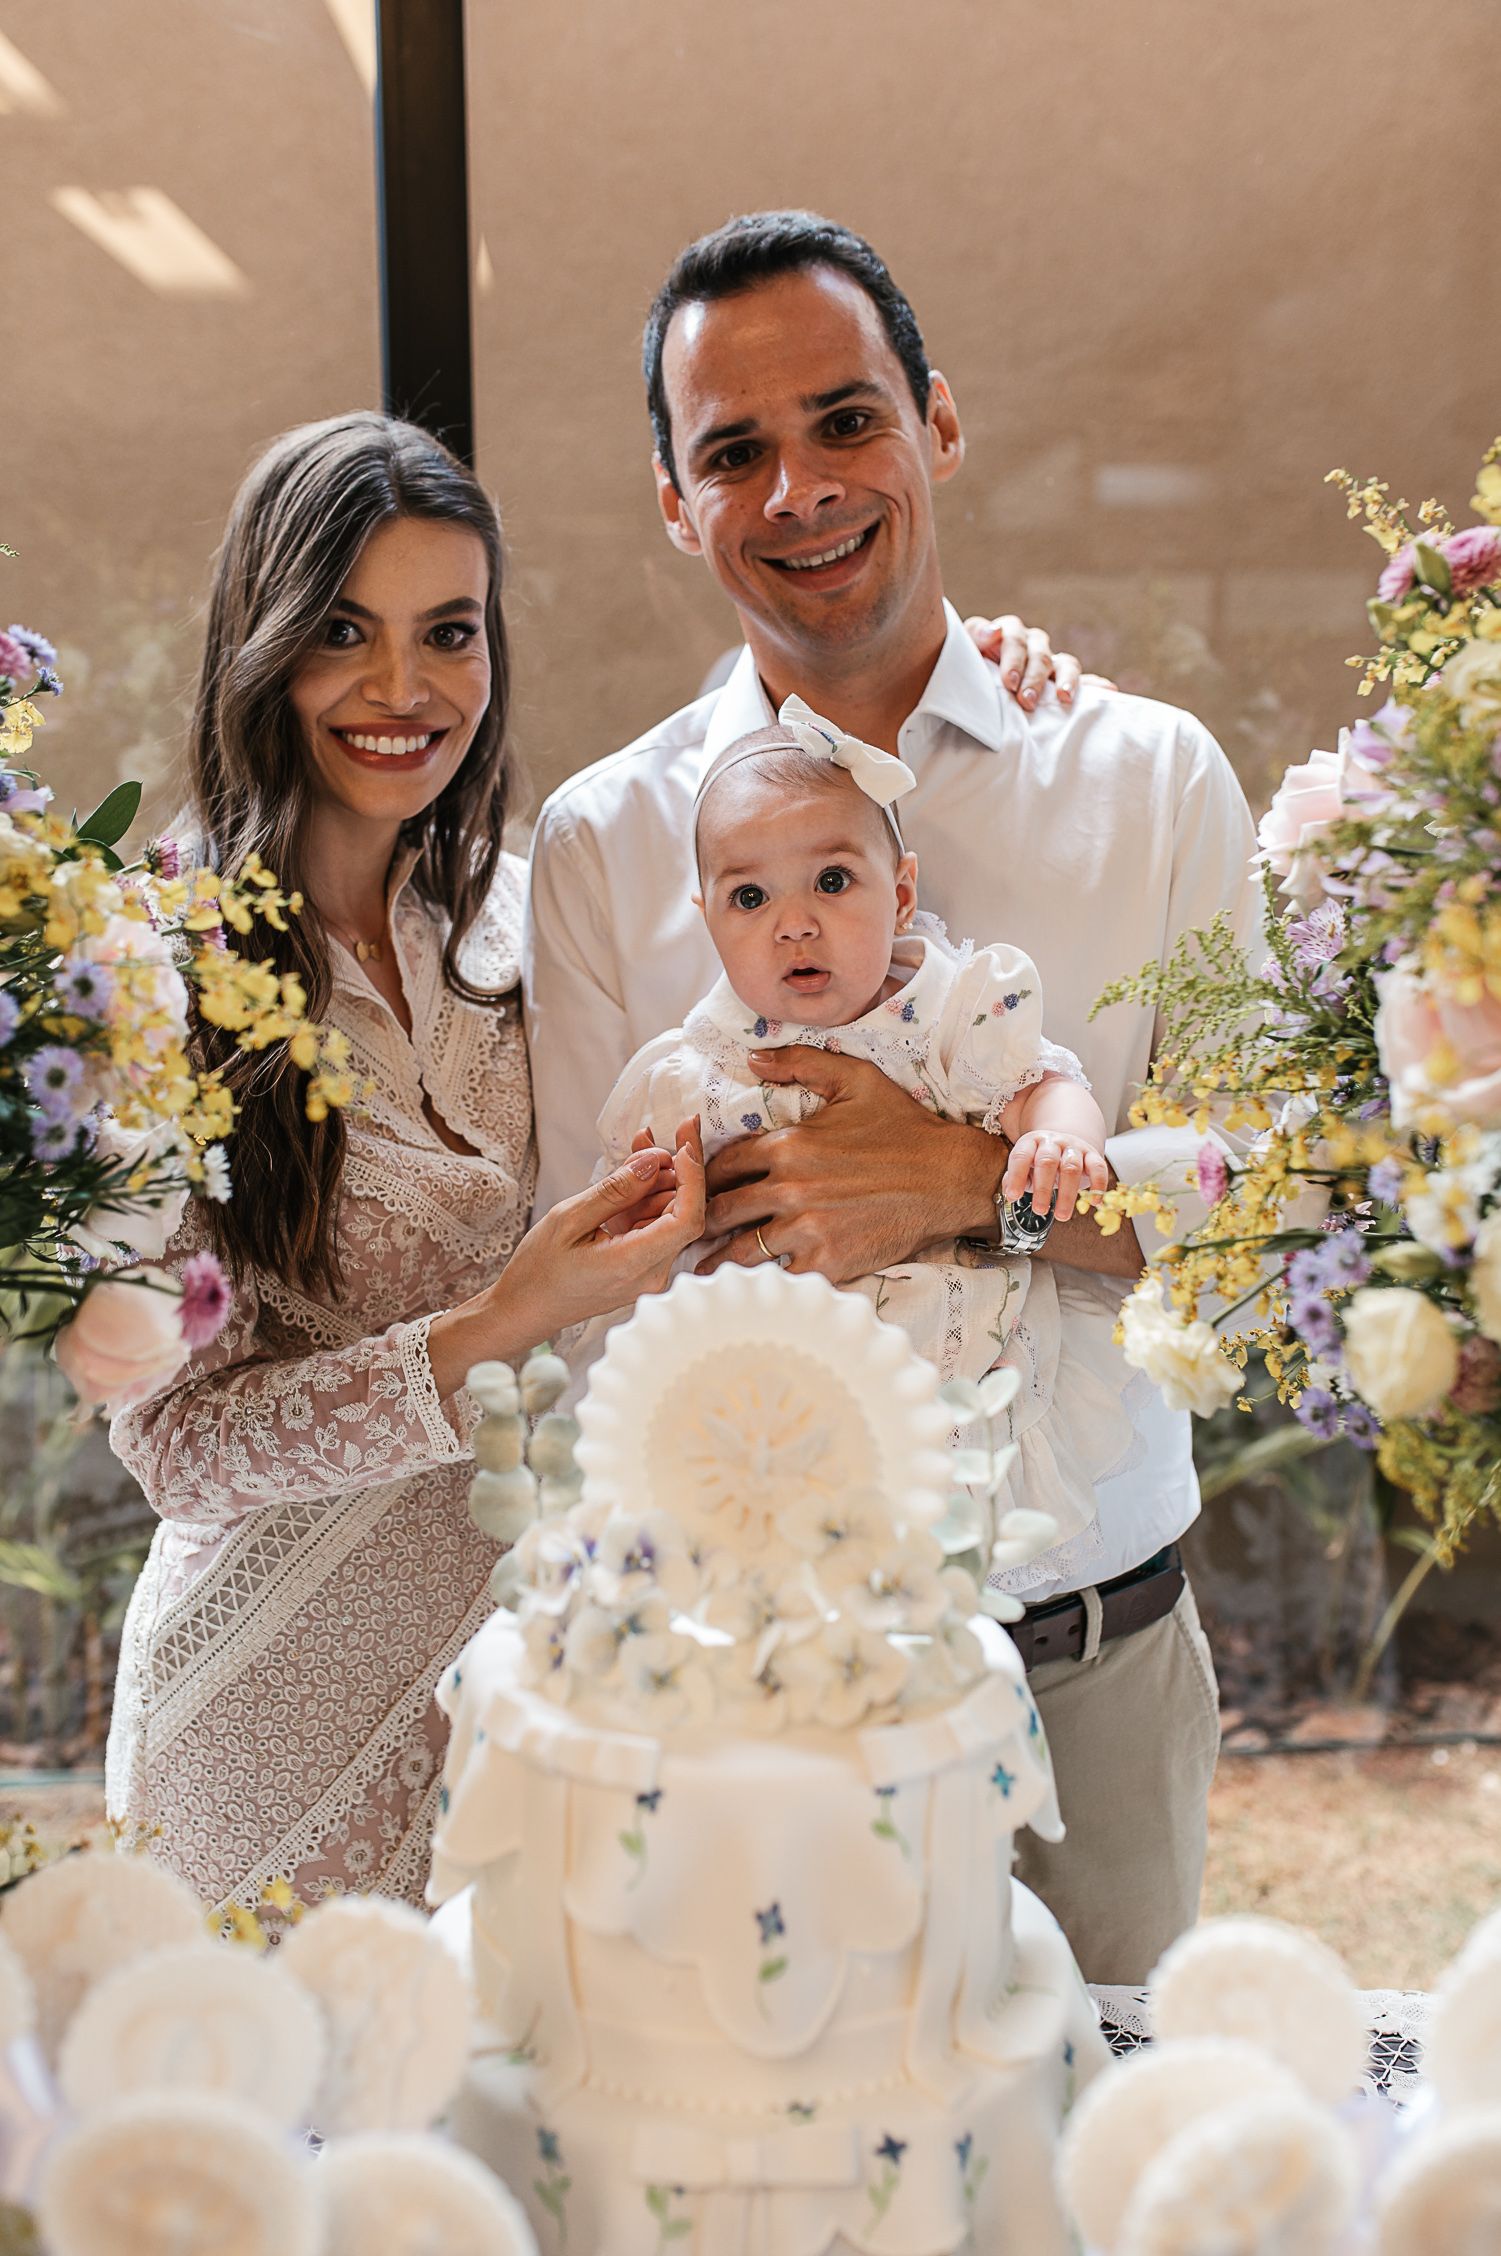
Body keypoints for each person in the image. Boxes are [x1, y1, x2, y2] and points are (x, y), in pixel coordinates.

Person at [523, 211, 1261, 1982]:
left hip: (1088, 1663)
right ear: (671, 499)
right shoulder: (605, 844)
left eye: (845, 421)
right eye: (734, 451)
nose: (799, 489)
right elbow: (575, 1308)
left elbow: (1263, 1223)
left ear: (938, 422)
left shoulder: (1148, 785)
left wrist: (961, 1182)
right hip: (746, 1693)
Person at [105, 413, 704, 1919]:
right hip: (260, 1719)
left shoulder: (517, 920)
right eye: (343, 634)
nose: (402, 690)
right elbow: (176, 1448)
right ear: (263, 646)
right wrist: (496, 1326)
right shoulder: (152, 967)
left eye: (450, 633)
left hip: (528, 1698)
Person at [589, 702, 1131, 1552]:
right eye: (749, 896)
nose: (793, 922)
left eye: (832, 882)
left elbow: (1040, 1080)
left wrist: (1058, 1137)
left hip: (941, 1361)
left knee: (930, 1550)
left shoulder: (948, 1015)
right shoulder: (701, 1065)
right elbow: (650, 1192)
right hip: (772, 1378)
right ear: (709, 919)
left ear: (902, 892)